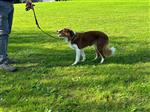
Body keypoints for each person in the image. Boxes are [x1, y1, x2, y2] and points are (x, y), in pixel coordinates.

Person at [0, 0, 33, 72]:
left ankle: (4, 57)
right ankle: (2, 61)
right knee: (2, 33)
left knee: (6, 31)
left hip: (9, 4)